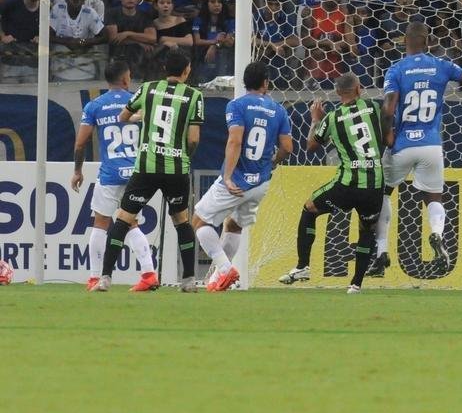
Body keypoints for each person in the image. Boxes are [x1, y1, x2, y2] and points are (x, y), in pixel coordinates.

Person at [370, 18, 462, 275]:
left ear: (405, 42)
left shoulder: (396, 70)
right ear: (429, 42)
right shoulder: (441, 65)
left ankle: (382, 251)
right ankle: (437, 234)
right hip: (431, 145)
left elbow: (388, 109)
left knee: (383, 194)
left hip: (402, 145)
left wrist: (388, 136)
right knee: (433, 197)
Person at [92, 48, 205, 292]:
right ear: (187, 71)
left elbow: (123, 116)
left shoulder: (148, 89)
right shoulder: (195, 96)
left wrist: (140, 118)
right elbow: (194, 139)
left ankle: (105, 278)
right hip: (176, 169)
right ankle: (188, 281)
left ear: (165, 70)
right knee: (182, 221)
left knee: (122, 219)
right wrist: (184, 155)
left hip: (146, 167)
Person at [278, 73, 385, 294]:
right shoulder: (374, 107)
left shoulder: (333, 118)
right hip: (375, 185)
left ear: (337, 94)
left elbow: (311, 146)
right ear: (359, 89)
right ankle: (355, 285)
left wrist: (316, 119)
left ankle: (303, 266)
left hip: (347, 185)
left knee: (309, 209)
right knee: (367, 230)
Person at [192, 61, 294, 292]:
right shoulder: (278, 110)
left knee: (199, 221)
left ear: (244, 82)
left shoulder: (236, 105)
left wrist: (227, 177)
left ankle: (226, 271)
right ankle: (217, 281)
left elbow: (235, 141)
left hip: (237, 180)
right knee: (234, 224)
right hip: (261, 182)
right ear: (265, 83)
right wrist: (273, 162)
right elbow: (287, 147)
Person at [71, 59, 158, 293]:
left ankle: (94, 277)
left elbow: (81, 143)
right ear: (125, 78)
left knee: (101, 223)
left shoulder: (95, 106)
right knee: (131, 223)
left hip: (109, 176)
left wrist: (78, 171)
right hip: (135, 176)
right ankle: (149, 273)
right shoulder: (137, 104)